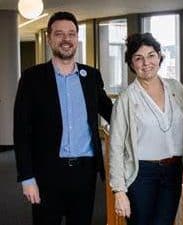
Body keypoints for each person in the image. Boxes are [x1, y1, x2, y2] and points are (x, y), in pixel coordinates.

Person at [14, 11, 113, 225]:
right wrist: (27, 178)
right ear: (49, 38)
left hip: (85, 173)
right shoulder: (32, 78)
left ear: (77, 38)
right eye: (59, 34)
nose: (66, 39)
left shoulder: (91, 76)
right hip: (47, 173)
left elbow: (113, 113)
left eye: (71, 33)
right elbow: (21, 131)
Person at [109, 32, 183, 225]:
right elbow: (115, 148)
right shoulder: (126, 98)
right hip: (142, 175)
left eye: (151, 55)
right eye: (138, 58)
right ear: (131, 64)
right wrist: (119, 190)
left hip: (173, 170)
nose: (146, 62)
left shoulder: (176, 88)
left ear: (160, 57)